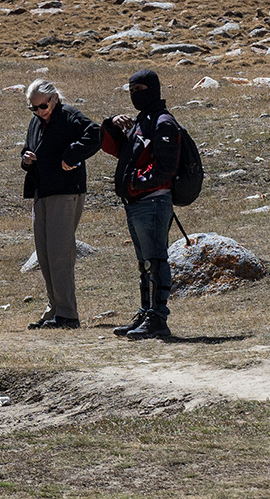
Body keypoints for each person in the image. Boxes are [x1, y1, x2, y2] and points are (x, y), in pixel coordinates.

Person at [101, 68, 183, 341]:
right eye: (132, 91)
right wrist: (111, 124)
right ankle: (146, 313)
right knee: (145, 263)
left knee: (156, 260)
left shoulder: (163, 123)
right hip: (137, 202)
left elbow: (166, 167)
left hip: (153, 201)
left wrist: (136, 182)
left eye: (140, 90)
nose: (135, 95)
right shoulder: (141, 122)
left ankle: (158, 318)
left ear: (154, 90)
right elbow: (116, 149)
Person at [19, 78, 99, 330]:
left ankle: (67, 314)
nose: (38, 111)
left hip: (65, 192)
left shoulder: (69, 116)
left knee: (60, 254)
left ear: (54, 98)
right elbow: (27, 150)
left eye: (42, 106)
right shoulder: (36, 122)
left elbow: (95, 134)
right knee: (44, 254)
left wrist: (72, 155)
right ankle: (54, 309)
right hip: (41, 192)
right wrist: (26, 159)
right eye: (33, 108)